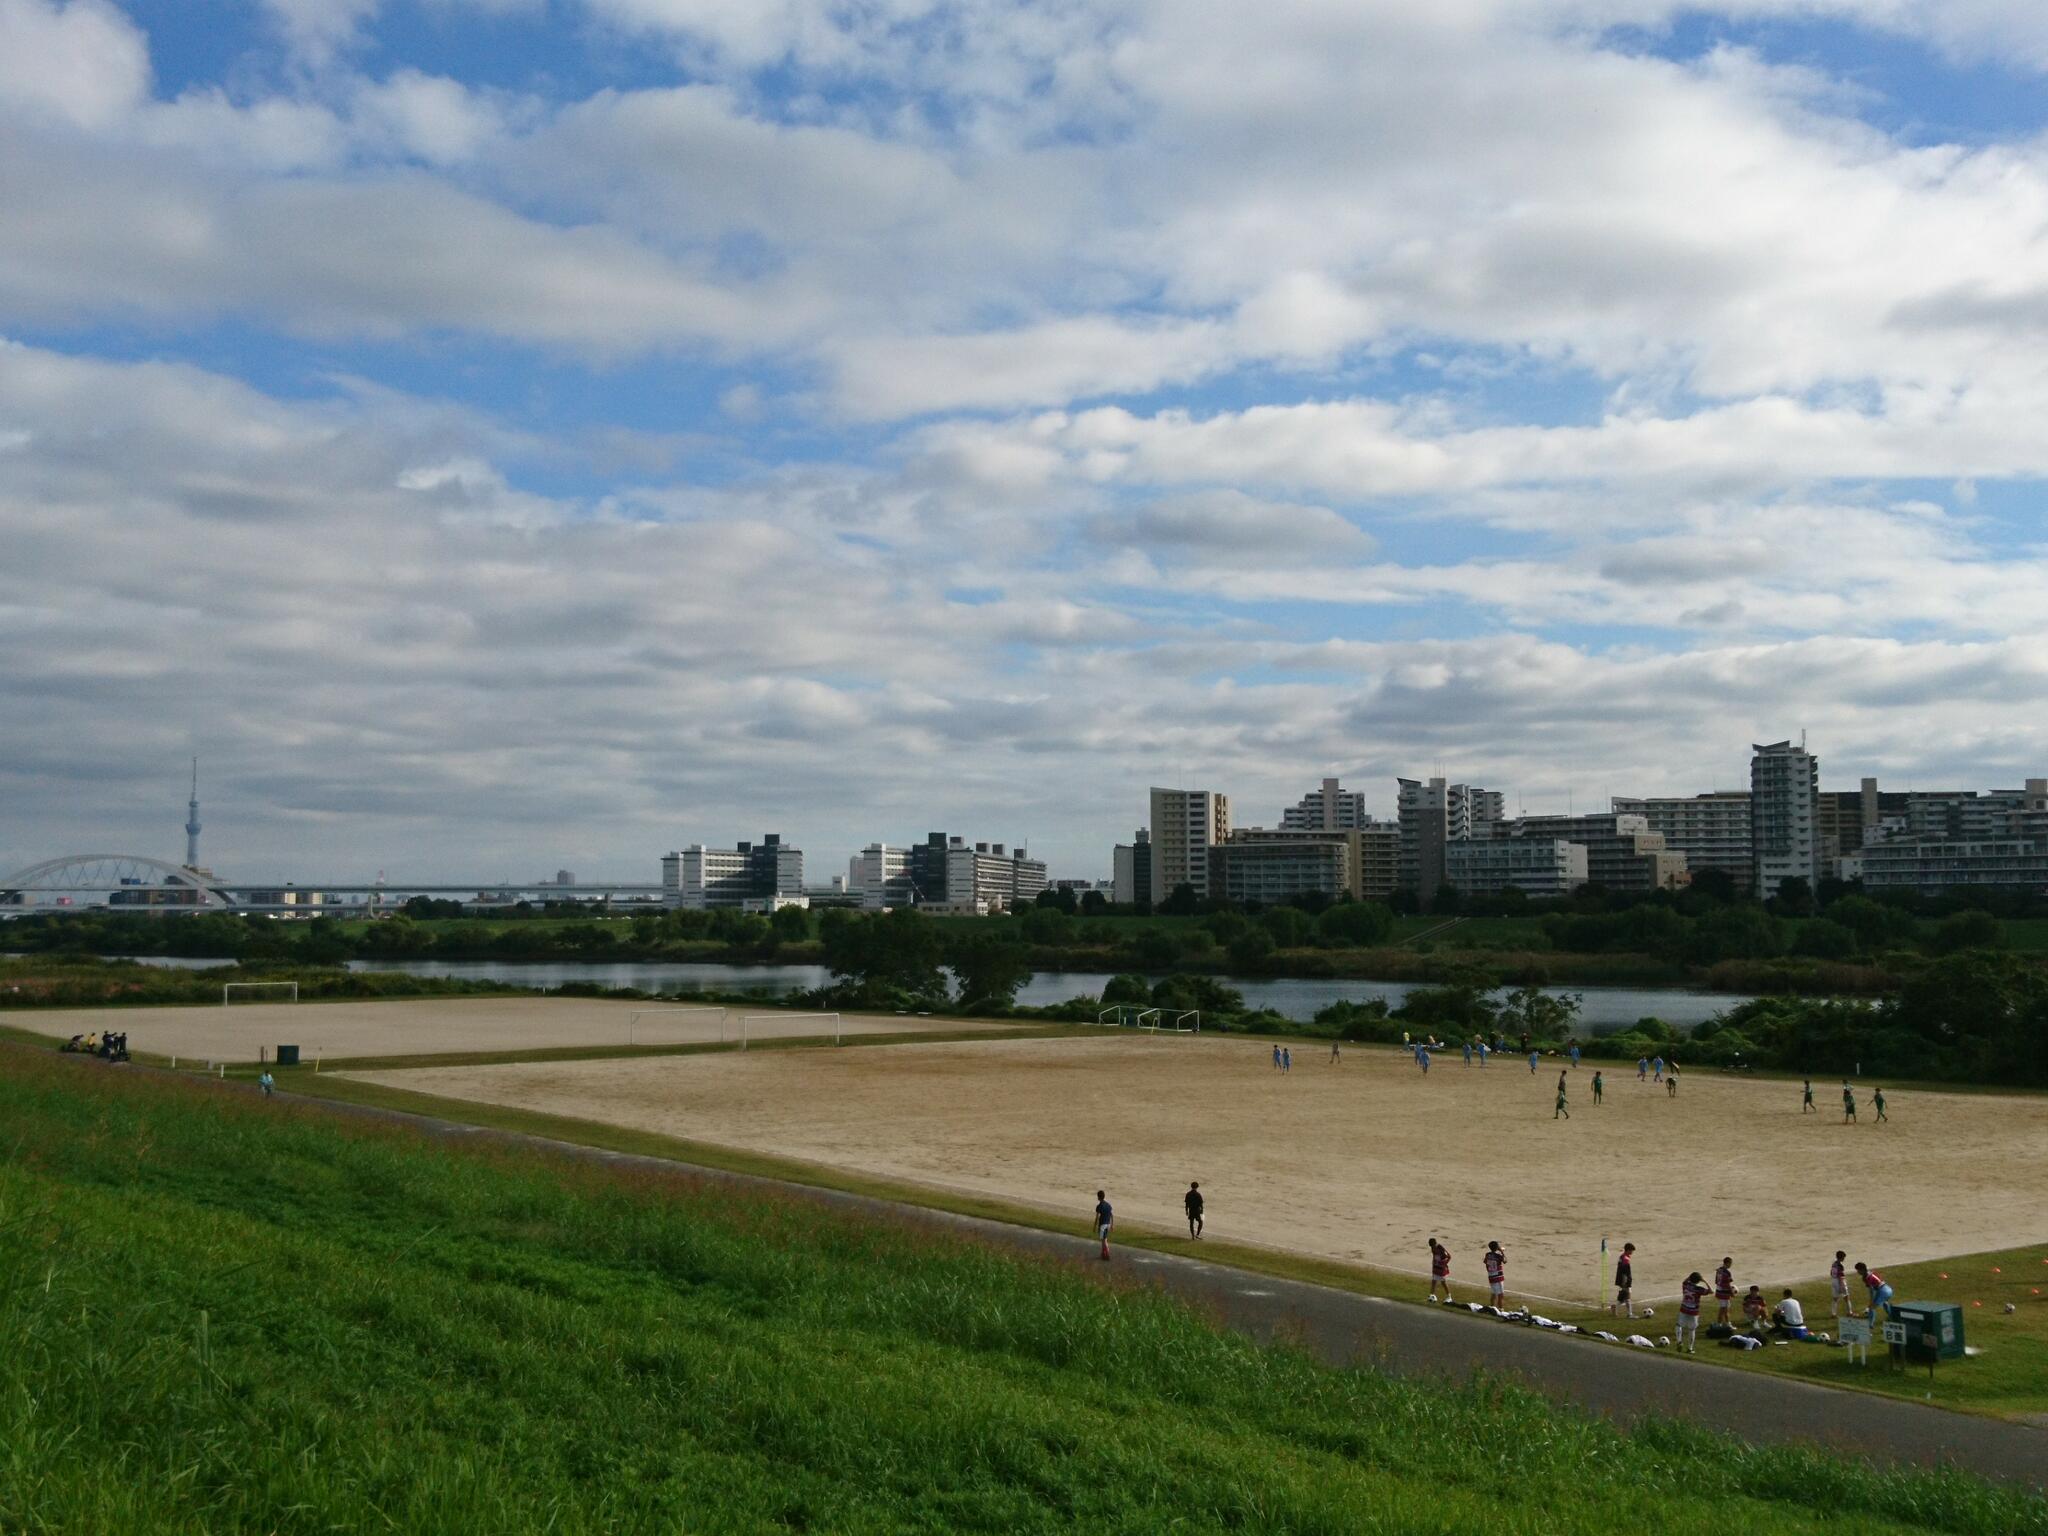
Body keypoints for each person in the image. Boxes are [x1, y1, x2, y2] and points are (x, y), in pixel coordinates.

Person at [1677, 1271, 1710, 1353]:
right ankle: (1690, 1348)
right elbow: (1710, 1291)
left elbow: (1684, 1281)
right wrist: (1705, 1281)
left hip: (1684, 1308)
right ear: (1698, 1281)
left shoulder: (1685, 1285)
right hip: (1694, 1311)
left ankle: (1679, 1340)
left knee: (1678, 1325)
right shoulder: (1698, 1289)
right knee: (1692, 1329)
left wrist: (1690, 1277)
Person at [1612, 1242, 1636, 1318]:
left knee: (1622, 1297)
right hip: (1624, 1280)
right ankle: (1630, 1314)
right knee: (1627, 1296)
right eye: (1631, 1250)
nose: (1632, 1252)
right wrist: (1625, 1282)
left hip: (1621, 1280)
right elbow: (1625, 1271)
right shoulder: (1625, 1259)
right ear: (1628, 1250)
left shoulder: (1622, 1257)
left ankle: (1615, 1307)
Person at [1428, 1237, 1452, 1302]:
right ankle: (1431, 1295)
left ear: (1435, 1244)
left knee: (1443, 1282)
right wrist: (1434, 1262)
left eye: (1433, 1246)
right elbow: (1434, 1255)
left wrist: (1443, 1263)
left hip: (1441, 1268)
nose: (1433, 1247)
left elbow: (1449, 1257)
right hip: (1436, 1267)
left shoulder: (1440, 1248)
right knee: (1433, 1281)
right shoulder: (1432, 1248)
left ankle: (1449, 1297)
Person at [1483, 1241, 1506, 1305]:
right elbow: (1505, 1261)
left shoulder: (1487, 1255)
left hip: (1491, 1276)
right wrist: (1502, 1251)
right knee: (1500, 1295)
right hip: (1498, 1277)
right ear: (1497, 1247)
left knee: (1493, 1294)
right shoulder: (1498, 1255)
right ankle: (1501, 1310)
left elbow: (1485, 1262)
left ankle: (1492, 1307)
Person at [1829, 1250, 1851, 1319]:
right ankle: (1849, 1312)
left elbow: (1831, 1273)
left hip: (1833, 1280)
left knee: (1835, 1298)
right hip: (1839, 1281)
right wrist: (1842, 1286)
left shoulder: (1834, 1264)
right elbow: (1840, 1276)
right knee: (1846, 1297)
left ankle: (1833, 1313)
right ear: (1842, 1258)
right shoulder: (1840, 1265)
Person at [1713, 1257, 1735, 1325]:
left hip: (1719, 1291)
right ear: (1727, 1263)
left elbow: (1716, 1281)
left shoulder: (1719, 1270)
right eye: (1730, 1263)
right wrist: (1731, 1292)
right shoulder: (1727, 1272)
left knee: (1724, 1309)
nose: (1731, 1265)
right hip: (1724, 1293)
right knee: (1724, 1309)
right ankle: (1723, 1323)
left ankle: (1725, 1323)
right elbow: (1728, 1284)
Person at [1094, 1190, 1114, 1261]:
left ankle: (1107, 1254)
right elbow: (1111, 1215)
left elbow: (1097, 1217)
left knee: (1104, 1241)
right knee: (1104, 1240)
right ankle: (1103, 1254)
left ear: (1098, 1197)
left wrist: (1095, 1226)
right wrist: (1112, 1225)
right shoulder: (1108, 1205)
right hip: (1108, 1224)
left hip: (1102, 1225)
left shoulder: (1099, 1206)